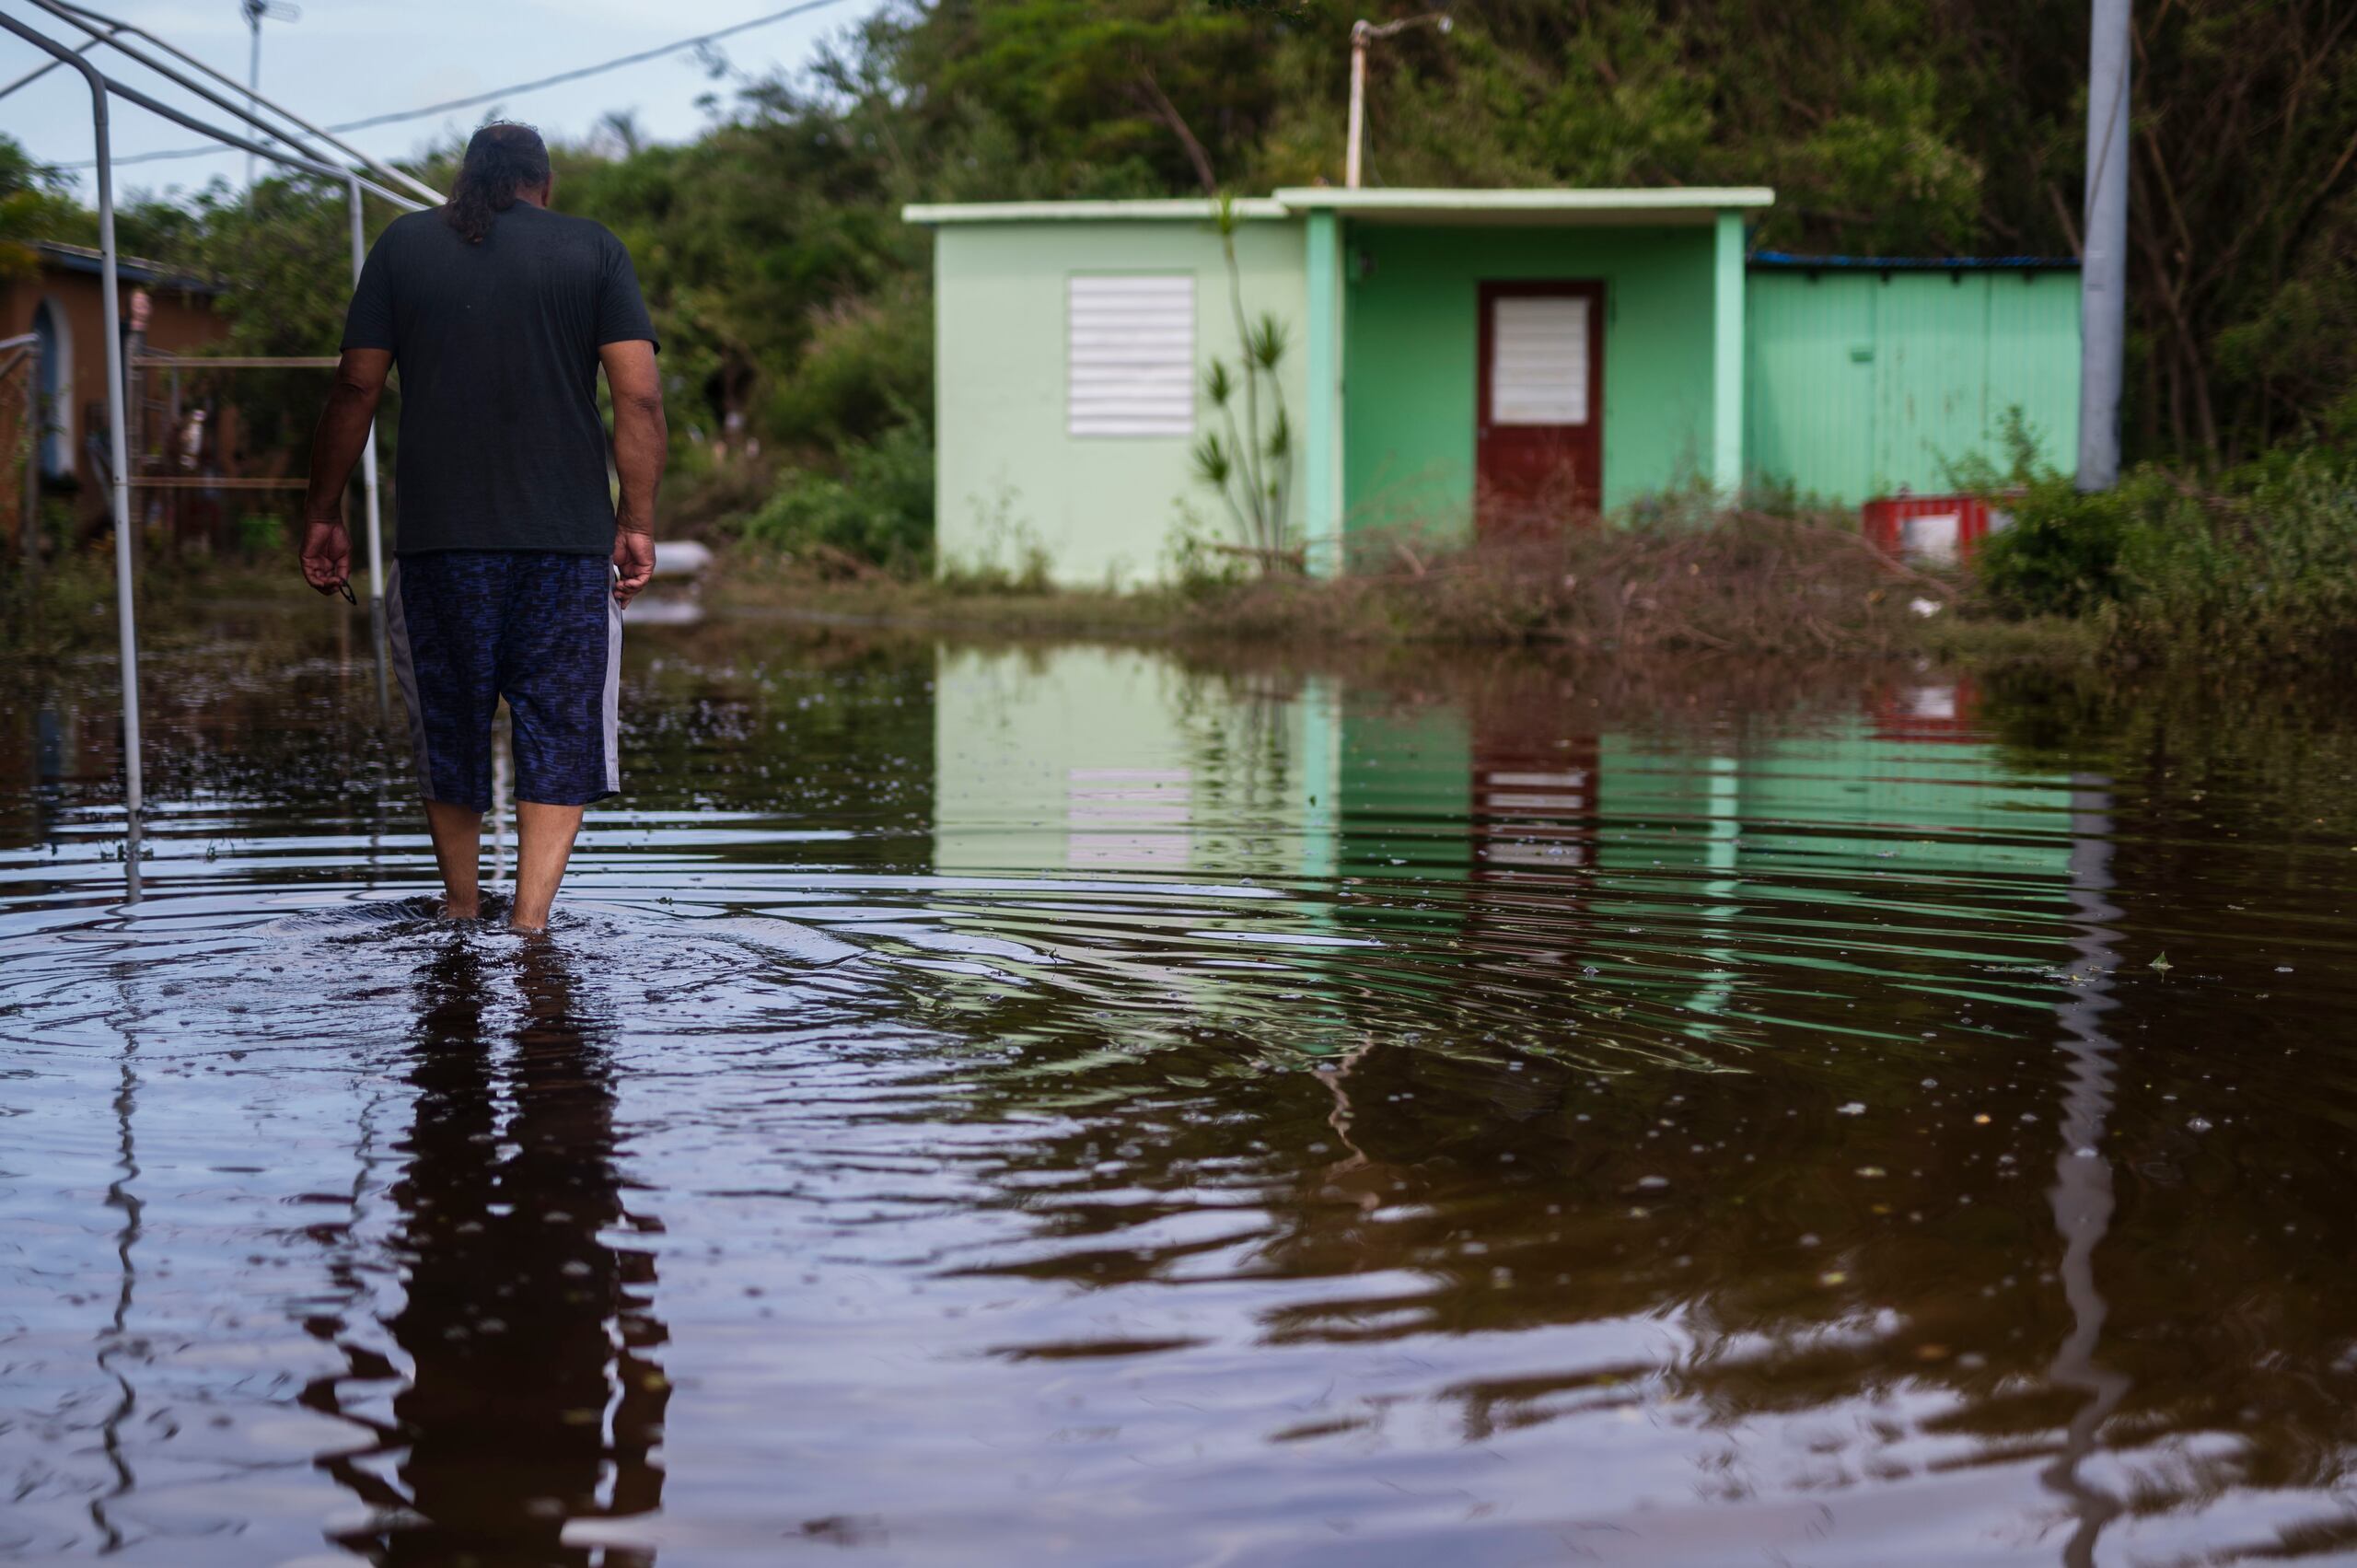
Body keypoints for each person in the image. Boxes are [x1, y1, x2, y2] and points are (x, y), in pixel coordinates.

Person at [299, 122, 666, 931]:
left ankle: (462, 908)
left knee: (452, 725)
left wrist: (323, 512)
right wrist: (636, 521)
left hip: (440, 542)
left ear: (467, 180)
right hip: (566, 543)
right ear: (544, 184)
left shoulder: (402, 247)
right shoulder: (593, 249)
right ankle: (531, 926)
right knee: (562, 730)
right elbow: (638, 397)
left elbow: (354, 389)